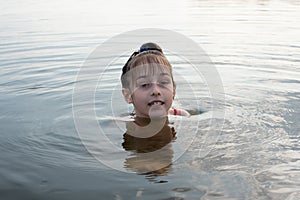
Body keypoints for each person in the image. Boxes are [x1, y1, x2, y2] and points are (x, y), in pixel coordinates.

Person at [121, 42, 190, 119]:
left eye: (163, 82)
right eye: (144, 84)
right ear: (128, 96)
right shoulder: (120, 124)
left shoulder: (182, 116)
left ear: (173, 90)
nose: (156, 91)